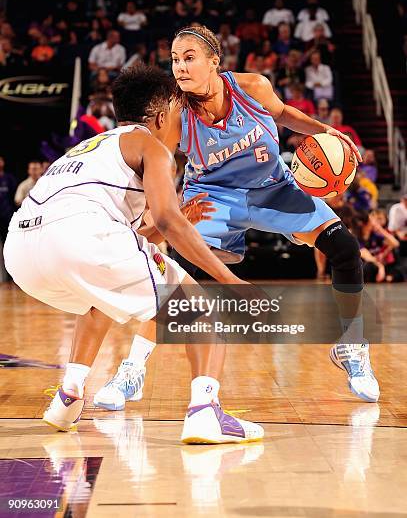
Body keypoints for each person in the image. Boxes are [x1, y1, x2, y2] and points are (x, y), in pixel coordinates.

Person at [94, 24, 380, 411]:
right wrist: (162, 210)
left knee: (344, 248)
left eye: (189, 58)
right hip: (212, 199)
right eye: (174, 59)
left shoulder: (253, 87)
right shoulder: (175, 114)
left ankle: (351, 347)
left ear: (215, 60)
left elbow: (285, 115)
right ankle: (132, 370)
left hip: (273, 187)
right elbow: (156, 165)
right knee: (179, 273)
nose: (179, 67)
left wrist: (329, 131)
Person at [4, 65, 264, 444]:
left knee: (100, 299)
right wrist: (230, 279)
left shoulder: (92, 146)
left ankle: (68, 397)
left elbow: (126, 237)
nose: (183, 127)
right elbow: (164, 220)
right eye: (180, 117)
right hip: (80, 237)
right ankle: (205, 411)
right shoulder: (150, 145)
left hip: (22, 249)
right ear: (161, 117)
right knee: (198, 308)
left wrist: (170, 220)